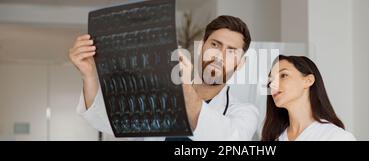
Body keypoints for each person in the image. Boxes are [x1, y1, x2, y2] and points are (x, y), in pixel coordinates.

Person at [69, 15, 259, 141]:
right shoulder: (160, 97)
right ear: (201, 48)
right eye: (215, 45)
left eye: (232, 51)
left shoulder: (245, 113)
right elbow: (109, 121)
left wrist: (183, 85)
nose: (219, 55)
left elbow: (228, 140)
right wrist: (90, 74)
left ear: (241, 63)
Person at [261, 55, 355, 141]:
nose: (272, 84)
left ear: (308, 80)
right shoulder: (274, 139)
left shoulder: (336, 137)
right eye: (271, 80)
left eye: (283, 75)